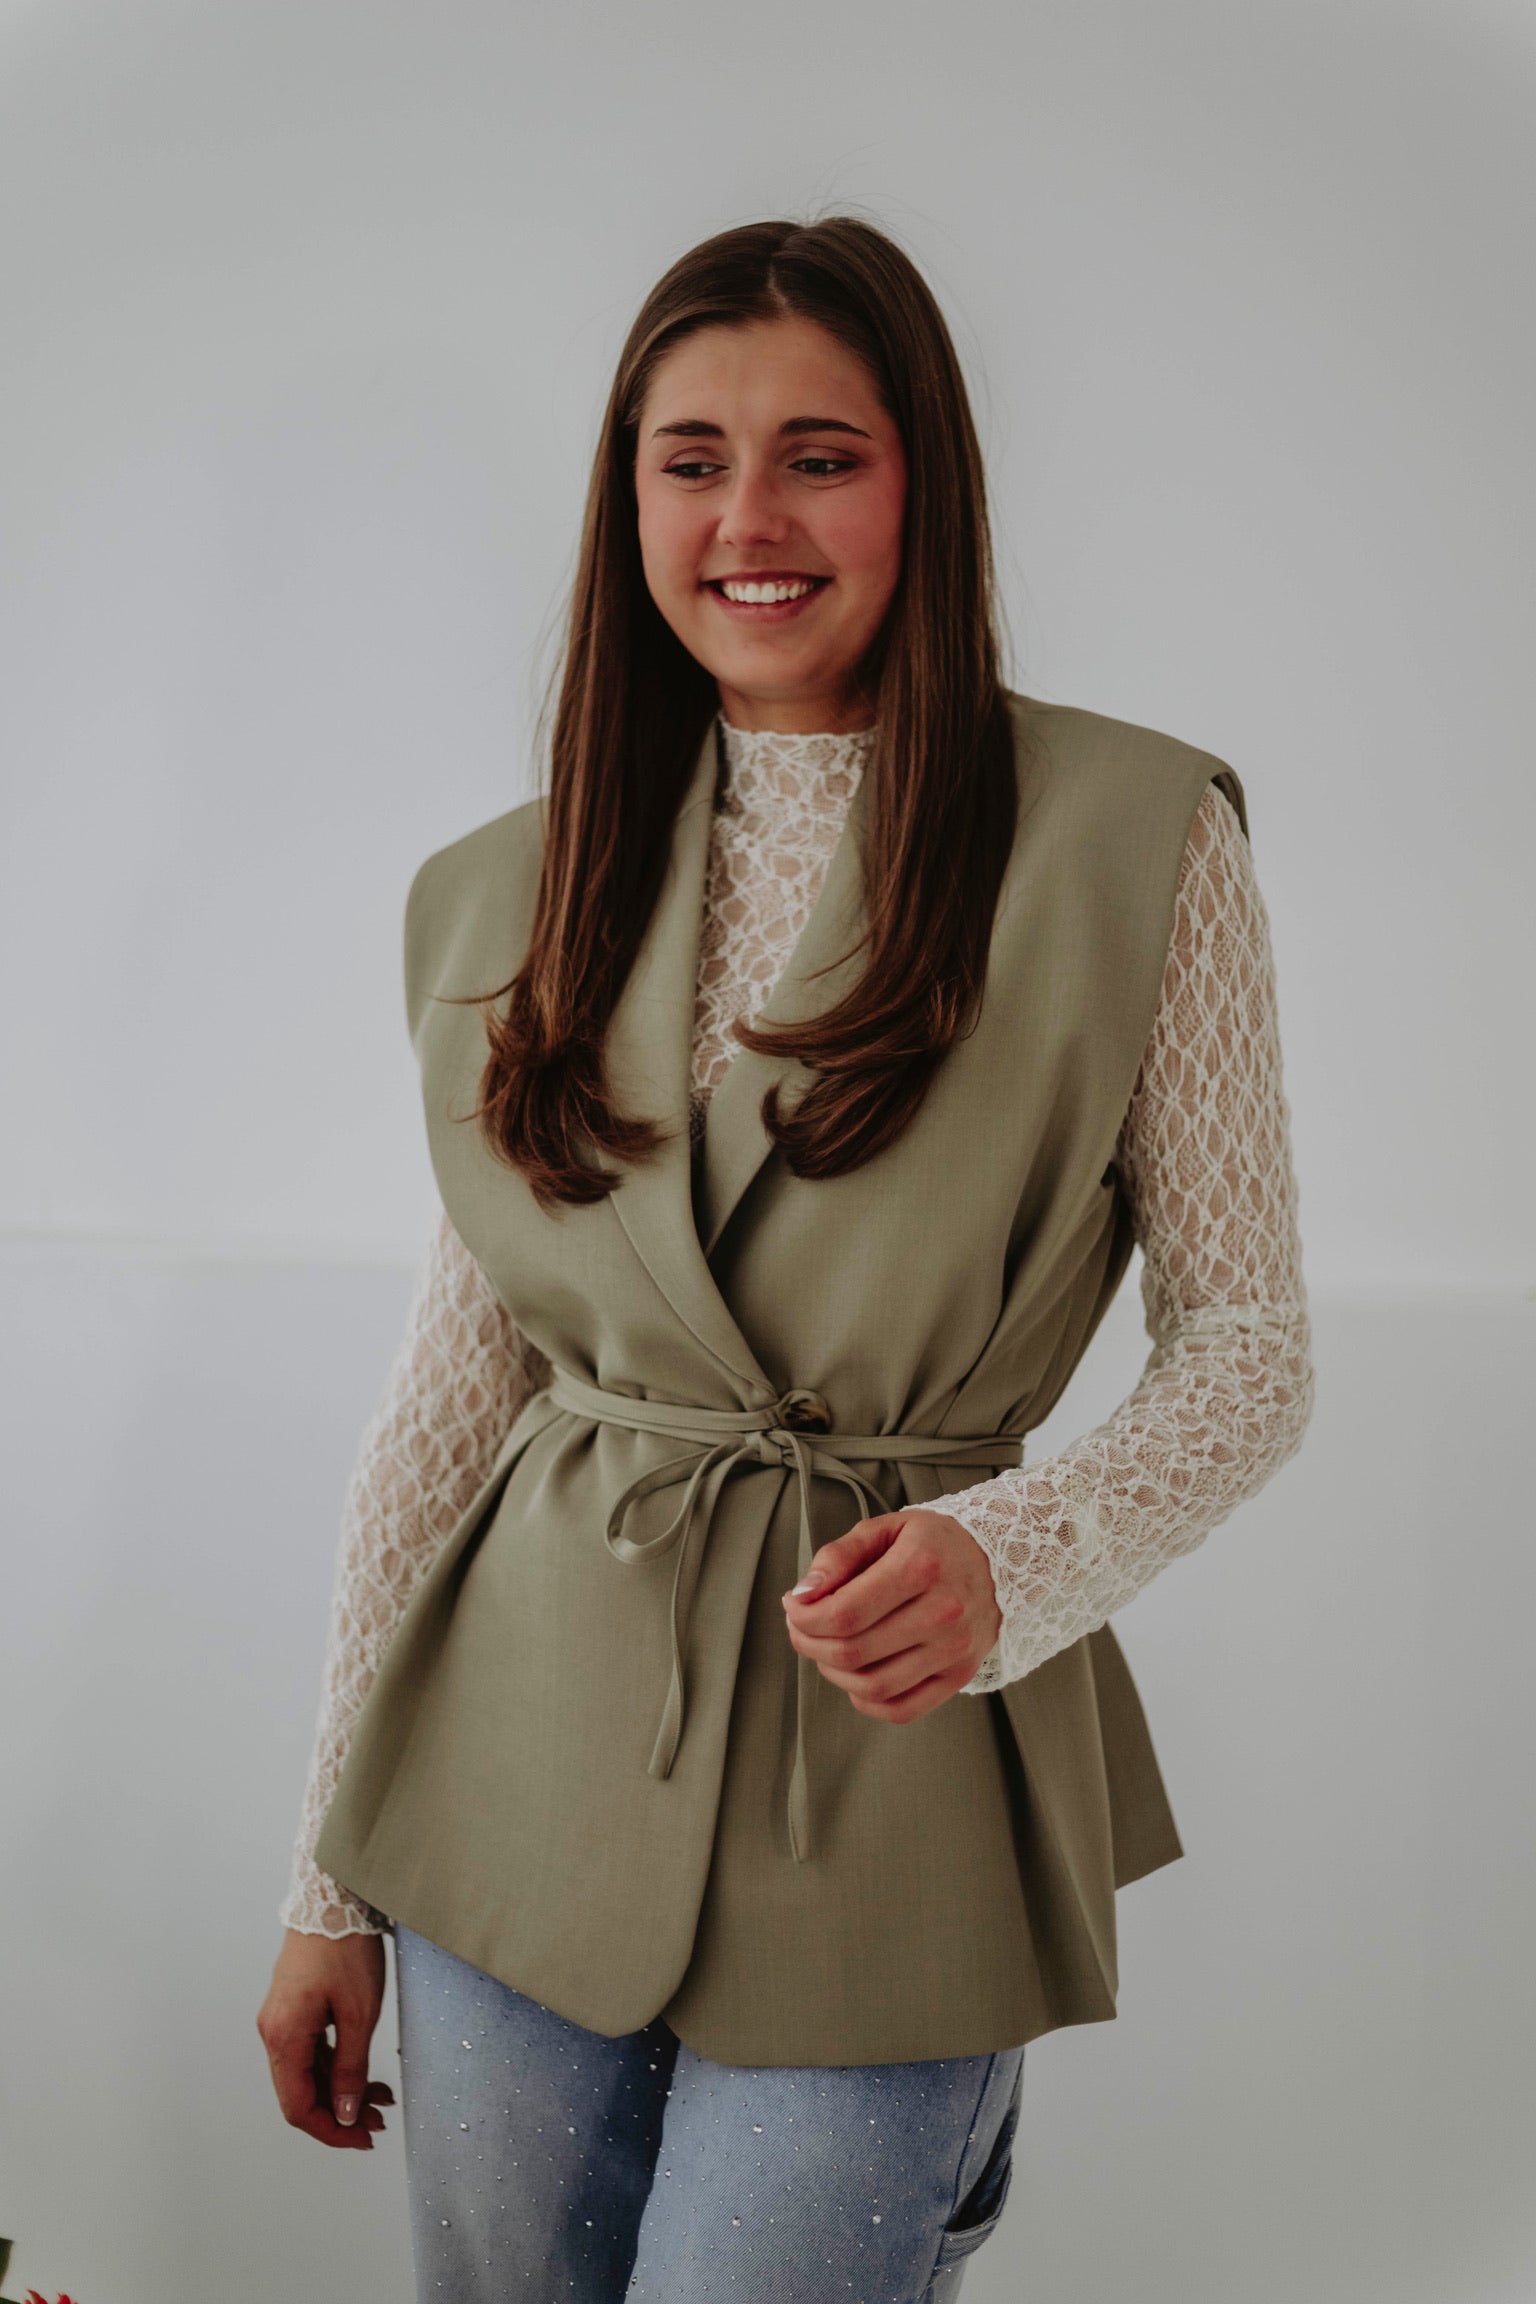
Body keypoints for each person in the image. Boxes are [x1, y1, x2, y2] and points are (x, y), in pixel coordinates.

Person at [257, 215, 1315, 2302]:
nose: (749, 519)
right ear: (627, 501)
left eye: (821, 456)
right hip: (507, 1769)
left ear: (926, 482)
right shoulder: (501, 893)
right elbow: (450, 1413)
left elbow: (1250, 1350)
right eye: (691, 459)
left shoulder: (1133, 839)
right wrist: (326, 1884)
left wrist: (1018, 1559)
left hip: (894, 1778)